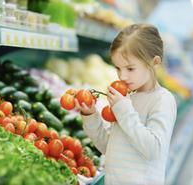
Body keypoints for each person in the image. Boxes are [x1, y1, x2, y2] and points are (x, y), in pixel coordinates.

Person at [74, 24, 177, 185]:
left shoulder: (163, 100)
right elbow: (110, 148)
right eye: (118, 68)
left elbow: (154, 150)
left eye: (130, 68)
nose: (122, 76)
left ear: (154, 62)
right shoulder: (128, 99)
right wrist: (90, 116)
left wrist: (124, 110)